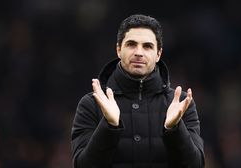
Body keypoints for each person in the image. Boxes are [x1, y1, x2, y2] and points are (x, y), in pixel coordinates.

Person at [71, 14, 205, 168]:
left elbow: (196, 165)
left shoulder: (181, 104)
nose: (139, 52)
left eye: (147, 46)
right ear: (118, 50)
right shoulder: (91, 104)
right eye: (131, 44)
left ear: (158, 54)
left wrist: (174, 129)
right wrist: (109, 126)